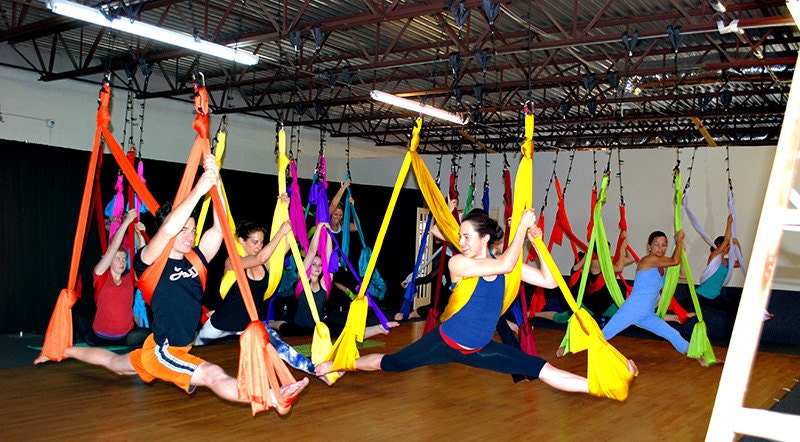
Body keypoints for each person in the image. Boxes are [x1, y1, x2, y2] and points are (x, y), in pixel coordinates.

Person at [35, 154, 308, 413]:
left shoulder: (197, 260)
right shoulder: (150, 262)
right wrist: (200, 188)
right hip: (165, 350)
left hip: (161, 345)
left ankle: (61, 349)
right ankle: (270, 397)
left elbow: (218, 228)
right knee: (212, 374)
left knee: (115, 363)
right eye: (184, 229)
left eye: (191, 230)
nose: (189, 235)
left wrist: (215, 184)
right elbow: (166, 230)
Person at [316, 208, 636, 396]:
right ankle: (339, 364)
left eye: (467, 236)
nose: (462, 242)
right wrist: (522, 229)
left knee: (541, 368)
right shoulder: (459, 265)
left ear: (485, 238)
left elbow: (550, 280)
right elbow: (504, 265)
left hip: (479, 348)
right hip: (445, 341)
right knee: (391, 364)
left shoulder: (504, 264)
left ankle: (599, 384)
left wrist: (537, 243)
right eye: (460, 236)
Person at [269, 222, 397, 339]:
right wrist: (319, 228)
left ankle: (379, 328)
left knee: (346, 333)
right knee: (285, 328)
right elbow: (312, 251)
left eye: (320, 264)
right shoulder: (302, 280)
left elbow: (328, 259)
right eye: (314, 264)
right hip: (299, 325)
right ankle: (272, 322)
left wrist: (329, 234)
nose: (318, 267)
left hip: (319, 326)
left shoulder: (324, 284)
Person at [600, 230, 702, 365]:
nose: (661, 248)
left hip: (647, 314)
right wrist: (679, 241)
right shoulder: (649, 260)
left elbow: (681, 274)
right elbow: (674, 261)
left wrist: (680, 251)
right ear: (649, 247)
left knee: (673, 334)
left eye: (664, 245)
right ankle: (566, 346)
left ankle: (701, 359)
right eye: (657, 245)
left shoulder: (663, 266)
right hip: (632, 310)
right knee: (603, 336)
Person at [77, 208, 150, 347]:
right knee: (77, 315)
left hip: (125, 337)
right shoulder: (100, 275)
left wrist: (139, 234)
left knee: (152, 336)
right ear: (109, 261)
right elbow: (112, 249)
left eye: (124, 259)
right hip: (99, 337)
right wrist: (126, 222)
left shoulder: (129, 279)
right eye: (117, 259)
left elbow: (143, 260)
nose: (122, 262)